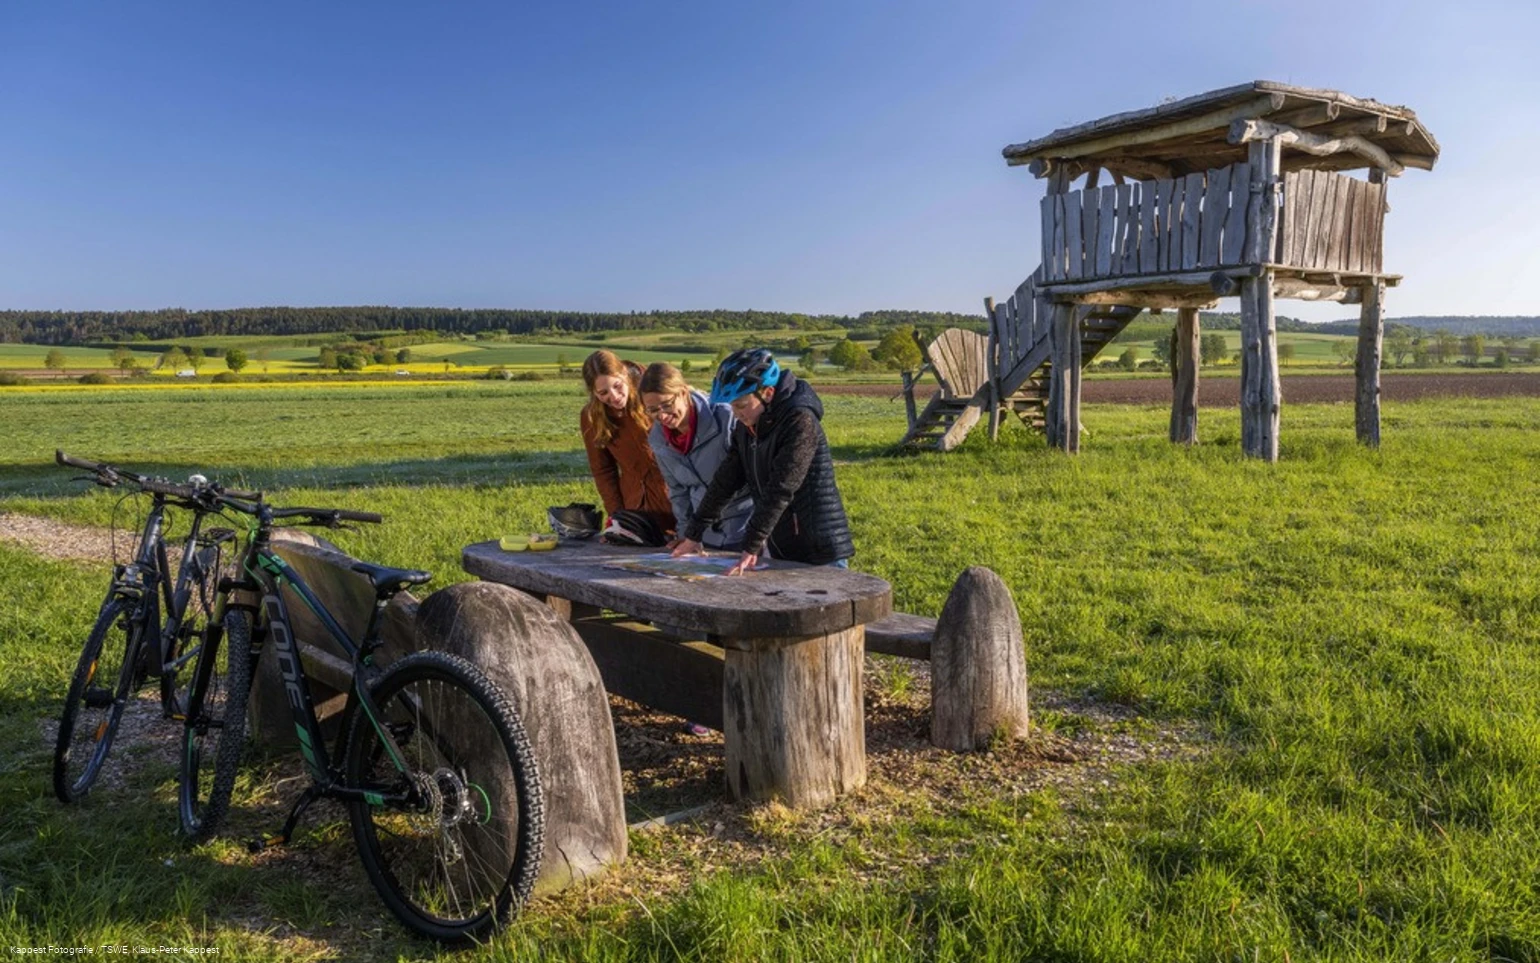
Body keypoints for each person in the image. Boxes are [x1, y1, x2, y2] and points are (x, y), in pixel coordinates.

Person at [671, 349, 854, 575]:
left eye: (740, 405)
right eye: (732, 406)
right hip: (782, 545)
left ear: (767, 393)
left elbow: (781, 487)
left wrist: (752, 543)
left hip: (819, 550)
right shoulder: (748, 426)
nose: (735, 414)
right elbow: (725, 482)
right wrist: (694, 534)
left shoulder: (800, 421)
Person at [640, 362, 753, 550]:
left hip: (744, 526)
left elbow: (756, 475)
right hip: (703, 535)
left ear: (683, 393)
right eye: (653, 410)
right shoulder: (658, 439)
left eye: (667, 405)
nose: (662, 416)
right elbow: (678, 492)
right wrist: (686, 535)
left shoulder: (727, 419)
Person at [579, 350, 675, 543]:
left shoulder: (653, 394)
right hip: (635, 505)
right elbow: (603, 470)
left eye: (617, 386)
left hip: (676, 498)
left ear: (624, 374)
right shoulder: (592, 416)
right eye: (603, 393)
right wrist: (617, 518)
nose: (614, 397)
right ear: (593, 392)